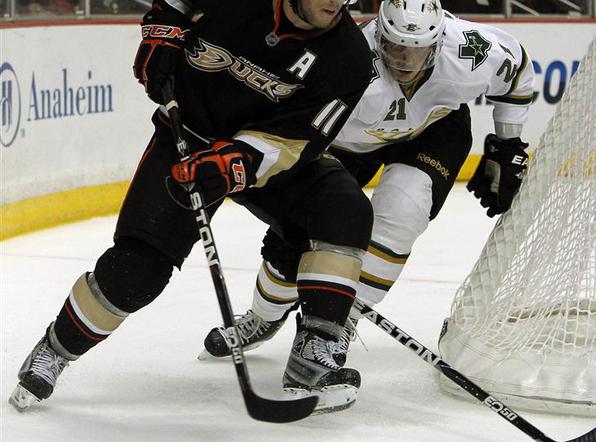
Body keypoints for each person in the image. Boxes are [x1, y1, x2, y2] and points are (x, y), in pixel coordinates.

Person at [9, 0, 374, 413]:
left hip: (263, 157)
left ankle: (314, 354)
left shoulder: (349, 57)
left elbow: (295, 143)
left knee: (344, 211)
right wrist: (164, 26)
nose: (336, 2)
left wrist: (234, 163)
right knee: (136, 272)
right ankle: (56, 348)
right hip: (189, 135)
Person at [200, 0, 535, 396]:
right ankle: (263, 316)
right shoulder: (349, 62)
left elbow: (518, 74)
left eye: (417, 49)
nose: (405, 60)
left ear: (439, 39)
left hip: (433, 128)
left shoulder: (473, 50)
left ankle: (338, 325)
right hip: (342, 143)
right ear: (379, 35)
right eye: (394, 47)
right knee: (294, 250)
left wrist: (505, 144)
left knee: (403, 211)